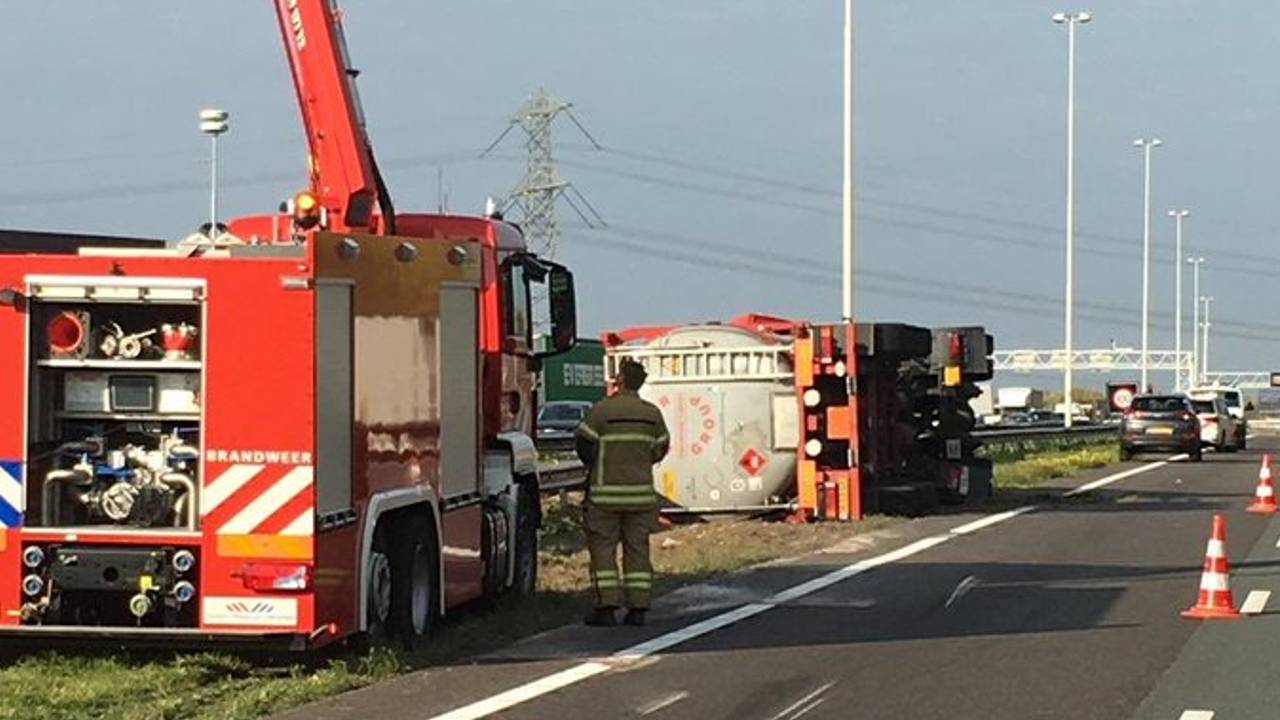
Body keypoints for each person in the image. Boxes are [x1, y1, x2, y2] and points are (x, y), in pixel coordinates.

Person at [574, 359, 670, 627]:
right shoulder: (651, 414)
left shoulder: (601, 412)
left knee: (603, 551)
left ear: (621, 380)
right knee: (637, 550)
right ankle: (637, 609)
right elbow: (661, 447)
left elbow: (583, 444)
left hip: (604, 497)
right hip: (640, 497)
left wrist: (599, 465)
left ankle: (606, 607)